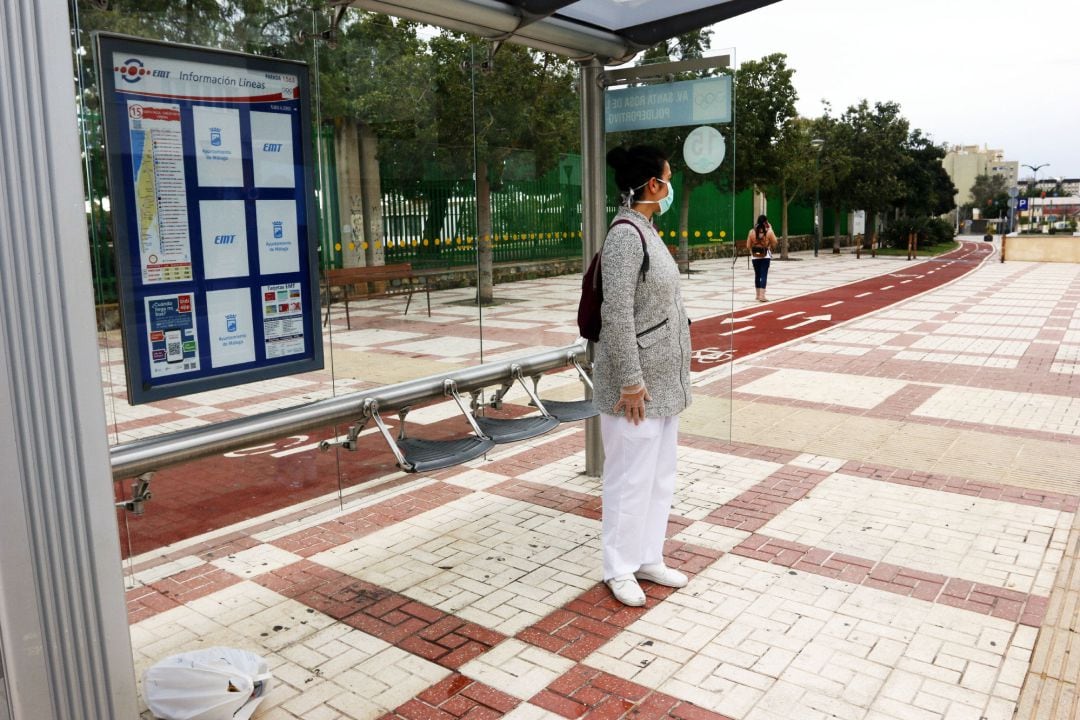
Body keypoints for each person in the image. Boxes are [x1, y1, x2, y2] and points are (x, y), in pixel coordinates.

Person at [592, 145, 693, 607]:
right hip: (635, 387)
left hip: (663, 383)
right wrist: (631, 381)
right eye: (669, 178)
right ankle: (618, 567)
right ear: (653, 185)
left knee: (659, 477)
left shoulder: (647, 231)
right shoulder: (625, 237)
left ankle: (648, 555)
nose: (671, 186)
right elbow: (615, 315)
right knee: (629, 478)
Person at [747, 214, 778, 302]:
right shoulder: (769, 232)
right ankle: (762, 296)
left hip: (755, 256)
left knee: (757, 275)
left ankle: (757, 295)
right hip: (765, 256)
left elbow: (748, 245)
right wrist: (771, 229)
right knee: (763, 275)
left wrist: (754, 249)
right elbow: (775, 242)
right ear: (766, 222)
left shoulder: (751, 232)